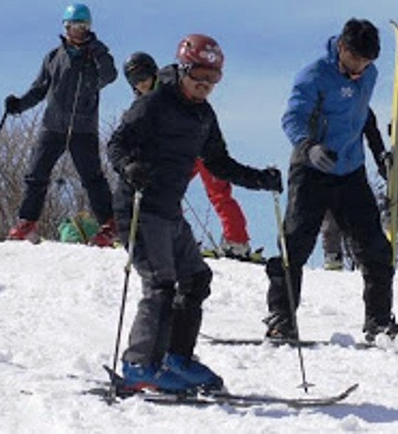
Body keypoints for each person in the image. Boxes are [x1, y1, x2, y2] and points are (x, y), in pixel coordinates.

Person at [108, 34, 281, 393]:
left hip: (169, 210)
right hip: (139, 206)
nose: (204, 86)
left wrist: (259, 179)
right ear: (183, 69)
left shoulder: (203, 115)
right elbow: (117, 143)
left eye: (212, 80)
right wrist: (128, 166)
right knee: (159, 283)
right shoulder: (154, 103)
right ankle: (139, 364)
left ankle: (175, 357)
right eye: (198, 77)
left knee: (195, 279)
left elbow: (218, 162)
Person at [266, 18, 398, 342]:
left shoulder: (369, 74)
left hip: (350, 171)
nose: (360, 69)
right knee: (294, 247)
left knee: (375, 249)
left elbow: (364, 115)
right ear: (342, 47)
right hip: (312, 169)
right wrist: (308, 146)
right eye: (356, 60)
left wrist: (381, 154)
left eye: (367, 63)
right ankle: (281, 319)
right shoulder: (314, 75)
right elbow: (293, 117)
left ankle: (379, 320)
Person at [123, 51, 257, 260]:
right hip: (179, 157)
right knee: (166, 190)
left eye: (144, 75)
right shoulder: (143, 105)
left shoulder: (172, 86)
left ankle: (237, 242)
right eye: (134, 80)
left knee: (218, 191)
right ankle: (173, 236)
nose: (141, 83)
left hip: (201, 149)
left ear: (154, 72)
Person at [5, 3, 118, 245]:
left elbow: (109, 76)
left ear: (88, 28)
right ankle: (27, 222)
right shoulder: (54, 57)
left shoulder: (96, 54)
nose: (75, 31)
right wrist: (18, 105)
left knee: (92, 178)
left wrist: (97, 52)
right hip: (53, 125)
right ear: (65, 27)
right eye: (71, 26)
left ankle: (110, 224)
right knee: (36, 173)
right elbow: (40, 89)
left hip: (83, 127)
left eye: (81, 26)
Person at [322, 108, 388, 270]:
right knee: (330, 216)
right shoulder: (324, 102)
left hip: (353, 168)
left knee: (360, 215)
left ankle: (365, 256)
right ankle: (332, 255)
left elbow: (373, 137)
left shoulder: (361, 107)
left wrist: (383, 163)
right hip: (327, 167)